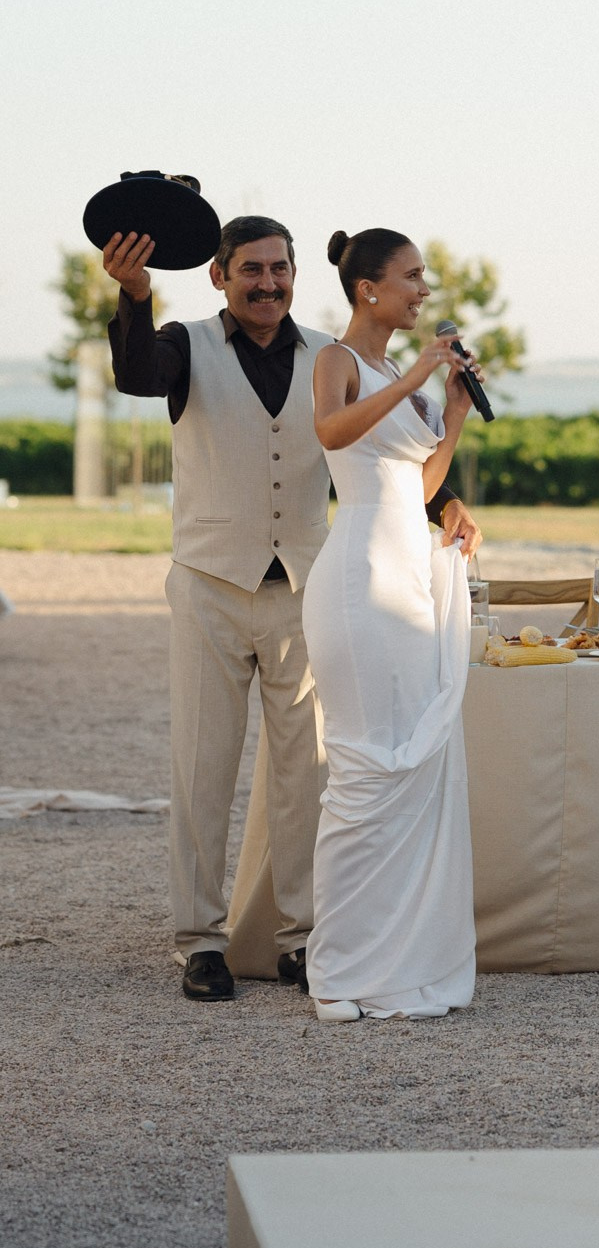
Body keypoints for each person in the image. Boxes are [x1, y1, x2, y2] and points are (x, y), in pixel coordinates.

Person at [104, 216, 481, 1004]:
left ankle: (303, 937)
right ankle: (200, 941)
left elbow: (376, 451)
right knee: (204, 768)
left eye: (280, 269)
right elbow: (136, 373)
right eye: (251, 270)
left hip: (309, 589)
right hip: (211, 583)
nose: (268, 283)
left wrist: (444, 503)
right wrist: (135, 297)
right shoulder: (185, 346)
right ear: (219, 276)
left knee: (306, 772)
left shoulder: (331, 356)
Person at [302, 228, 481, 1024]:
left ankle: (400, 963)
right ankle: (337, 968)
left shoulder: (406, 385)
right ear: (368, 287)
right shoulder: (338, 360)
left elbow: (418, 481)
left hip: (411, 569)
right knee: (366, 767)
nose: (424, 290)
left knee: (413, 762)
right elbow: (333, 435)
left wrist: (451, 413)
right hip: (359, 575)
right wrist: (417, 371)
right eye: (412, 277)